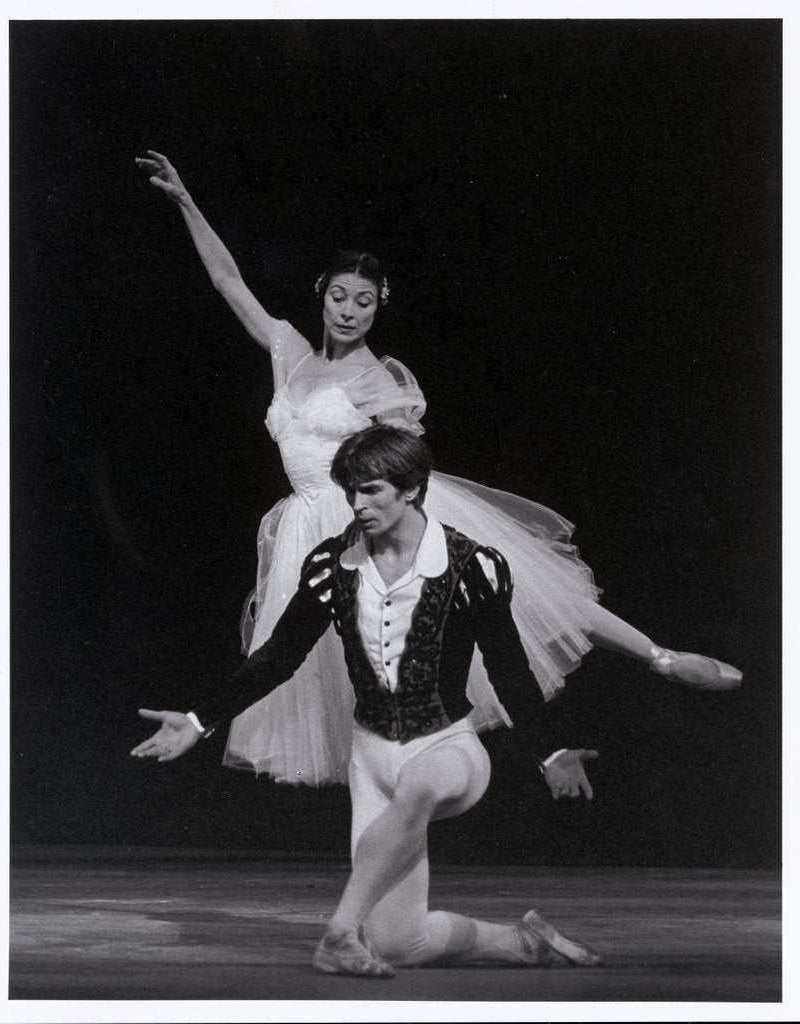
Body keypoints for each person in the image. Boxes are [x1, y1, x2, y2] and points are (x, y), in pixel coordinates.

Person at [134, 151, 742, 787]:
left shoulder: (379, 379)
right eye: (339, 297)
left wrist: (395, 515)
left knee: (526, 594)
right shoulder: (289, 350)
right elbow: (227, 280)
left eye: (363, 302)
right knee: (317, 658)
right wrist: (186, 202)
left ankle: (659, 655)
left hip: (368, 507)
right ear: (323, 296)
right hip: (305, 518)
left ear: (377, 308)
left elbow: (408, 463)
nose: (349, 311)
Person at [131, 425, 603, 977]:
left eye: (372, 490)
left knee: (418, 788)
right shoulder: (333, 565)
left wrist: (550, 751)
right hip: (371, 759)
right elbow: (279, 657)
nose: (357, 504)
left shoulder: (472, 566)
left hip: (447, 749)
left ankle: (337, 933)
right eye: (351, 491)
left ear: (412, 489)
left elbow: (509, 668)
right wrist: (199, 719)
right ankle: (523, 942)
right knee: (401, 944)